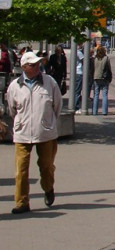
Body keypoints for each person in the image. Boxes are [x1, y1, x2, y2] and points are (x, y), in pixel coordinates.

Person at [6, 52, 62, 214]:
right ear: (24, 67)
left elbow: (57, 106)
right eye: (33, 65)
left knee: (46, 166)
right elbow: (12, 110)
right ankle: (22, 202)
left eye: (38, 64)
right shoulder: (15, 86)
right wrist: (20, 123)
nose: (37, 67)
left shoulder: (49, 83)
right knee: (21, 170)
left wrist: (48, 122)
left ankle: (48, 187)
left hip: (45, 133)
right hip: (22, 133)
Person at [92, 46, 113, 115]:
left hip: (96, 77)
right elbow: (109, 69)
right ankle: (104, 112)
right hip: (104, 78)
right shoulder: (106, 58)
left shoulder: (95, 59)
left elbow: (93, 68)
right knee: (104, 95)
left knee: (96, 95)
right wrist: (110, 77)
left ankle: (94, 111)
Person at [74, 44, 85, 114]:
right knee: (77, 91)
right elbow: (85, 61)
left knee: (76, 90)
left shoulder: (74, 51)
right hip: (79, 72)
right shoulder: (79, 52)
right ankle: (76, 107)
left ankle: (75, 106)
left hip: (75, 72)